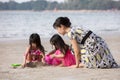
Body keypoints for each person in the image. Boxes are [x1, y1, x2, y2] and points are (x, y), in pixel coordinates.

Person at [52, 17, 118, 68]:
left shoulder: (70, 33)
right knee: (74, 47)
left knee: (72, 49)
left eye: (57, 29)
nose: (58, 32)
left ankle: (84, 63)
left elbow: (76, 51)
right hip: (100, 44)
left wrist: (77, 65)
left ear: (62, 26)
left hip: (94, 48)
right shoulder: (75, 27)